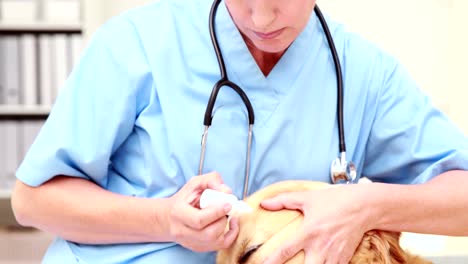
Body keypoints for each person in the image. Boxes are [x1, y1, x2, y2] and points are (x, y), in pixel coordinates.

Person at [11, 0, 468, 263]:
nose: (262, 19)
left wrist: (365, 206)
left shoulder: (362, 73)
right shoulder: (139, 43)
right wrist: (164, 220)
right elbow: (33, 201)